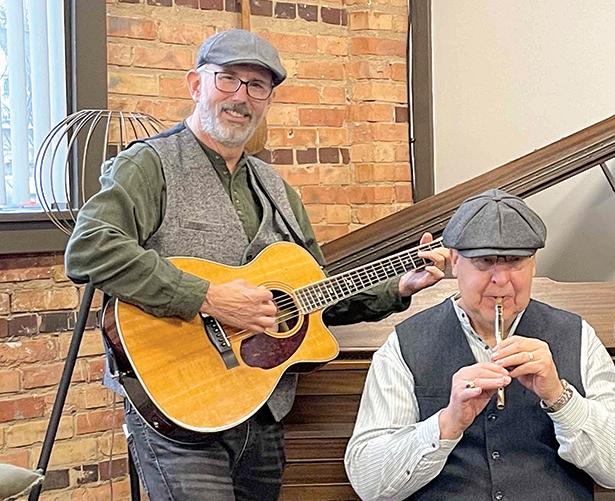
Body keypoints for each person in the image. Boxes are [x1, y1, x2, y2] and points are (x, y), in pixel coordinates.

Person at [64, 29, 446, 501]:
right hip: (180, 412)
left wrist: (399, 286)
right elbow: (90, 248)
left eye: (257, 86)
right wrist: (208, 297)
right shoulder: (149, 165)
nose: (241, 97)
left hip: (262, 414)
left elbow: (314, 296)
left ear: (268, 100)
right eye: (228, 79)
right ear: (196, 84)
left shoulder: (276, 188)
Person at [345, 189, 615, 500]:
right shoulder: (404, 344)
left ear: (533, 264)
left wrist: (560, 398)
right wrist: (447, 424)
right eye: (484, 261)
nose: (500, 280)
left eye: (514, 261)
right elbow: (369, 484)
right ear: (455, 262)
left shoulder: (578, 335)